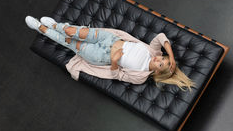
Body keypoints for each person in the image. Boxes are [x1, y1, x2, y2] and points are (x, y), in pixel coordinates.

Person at [25, 16, 196, 92]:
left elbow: (117, 75)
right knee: (72, 31)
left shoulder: (141, 76)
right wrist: (171, 57)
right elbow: (160, 37)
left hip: (101, 56)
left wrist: (114, 61)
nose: (159, 58)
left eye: (161, 63)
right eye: (163, 58)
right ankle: (56, 26)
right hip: (109, 38)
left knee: (70, 42)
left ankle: (41, 28)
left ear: (157, 72)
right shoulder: (153, 51)